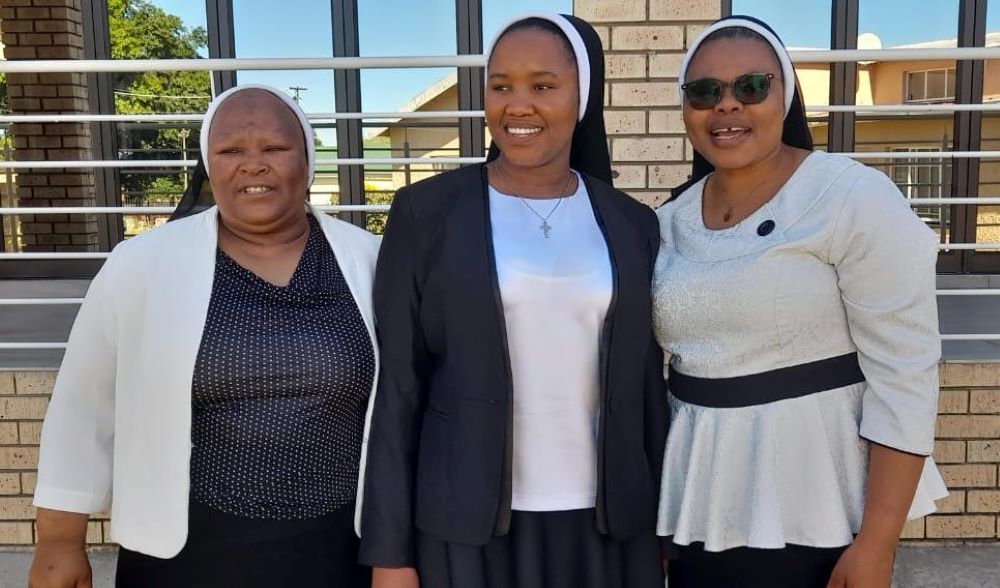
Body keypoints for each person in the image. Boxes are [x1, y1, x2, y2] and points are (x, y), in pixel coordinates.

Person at [358, 12, 667, 588]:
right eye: (501, 86)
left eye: (543, 86)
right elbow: (399, 384)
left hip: (607, 523)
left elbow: (648, 387)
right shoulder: (425, 214)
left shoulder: (631, 224)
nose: (517, 105)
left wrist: (664, 532)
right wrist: (389, 551)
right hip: (466, 523)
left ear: (582, 97)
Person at [28, 85, 379, 588]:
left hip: (341, 548)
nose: (252, 164)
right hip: (186, 553)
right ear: (207, 164)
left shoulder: (372, 261)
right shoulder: (142, 265)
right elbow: (83, 406)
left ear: (308, 158)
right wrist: (60, 541)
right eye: (231, 150)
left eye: (274, 148)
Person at [653, 16, 949, 587]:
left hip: (816, 498)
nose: (727, 106)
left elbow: (904, 372)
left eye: (752, 87)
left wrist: (877, 544)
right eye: (705, 92)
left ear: (785, 96)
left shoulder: (849, 196)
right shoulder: (669, 221)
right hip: (697, 501)